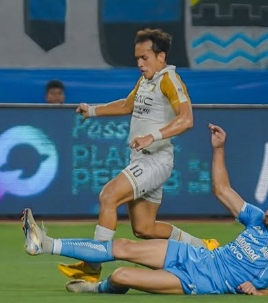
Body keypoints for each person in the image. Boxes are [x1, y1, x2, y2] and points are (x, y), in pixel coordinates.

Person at [21, 123, 268, 295]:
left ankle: (97, 288)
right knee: (122, 245)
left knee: (122, 275)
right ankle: (43, 243)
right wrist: (219, 149)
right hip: (197, 256)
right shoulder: (258, 218)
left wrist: (259, 293)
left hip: (203, 280)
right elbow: (223, 190)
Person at [59, 28, 218, 283]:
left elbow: (187, 119)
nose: (139, 64)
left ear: (161, 56)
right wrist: (93, 110)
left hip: (156, 160)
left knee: (109, 196)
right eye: (137, 59)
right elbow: (126, 105)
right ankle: (203, 246)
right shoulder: (146, 80)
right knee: (145, 229)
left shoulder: (169, 79)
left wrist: (151, 137)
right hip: (142, 160)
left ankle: (92, 266)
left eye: (144, 58)